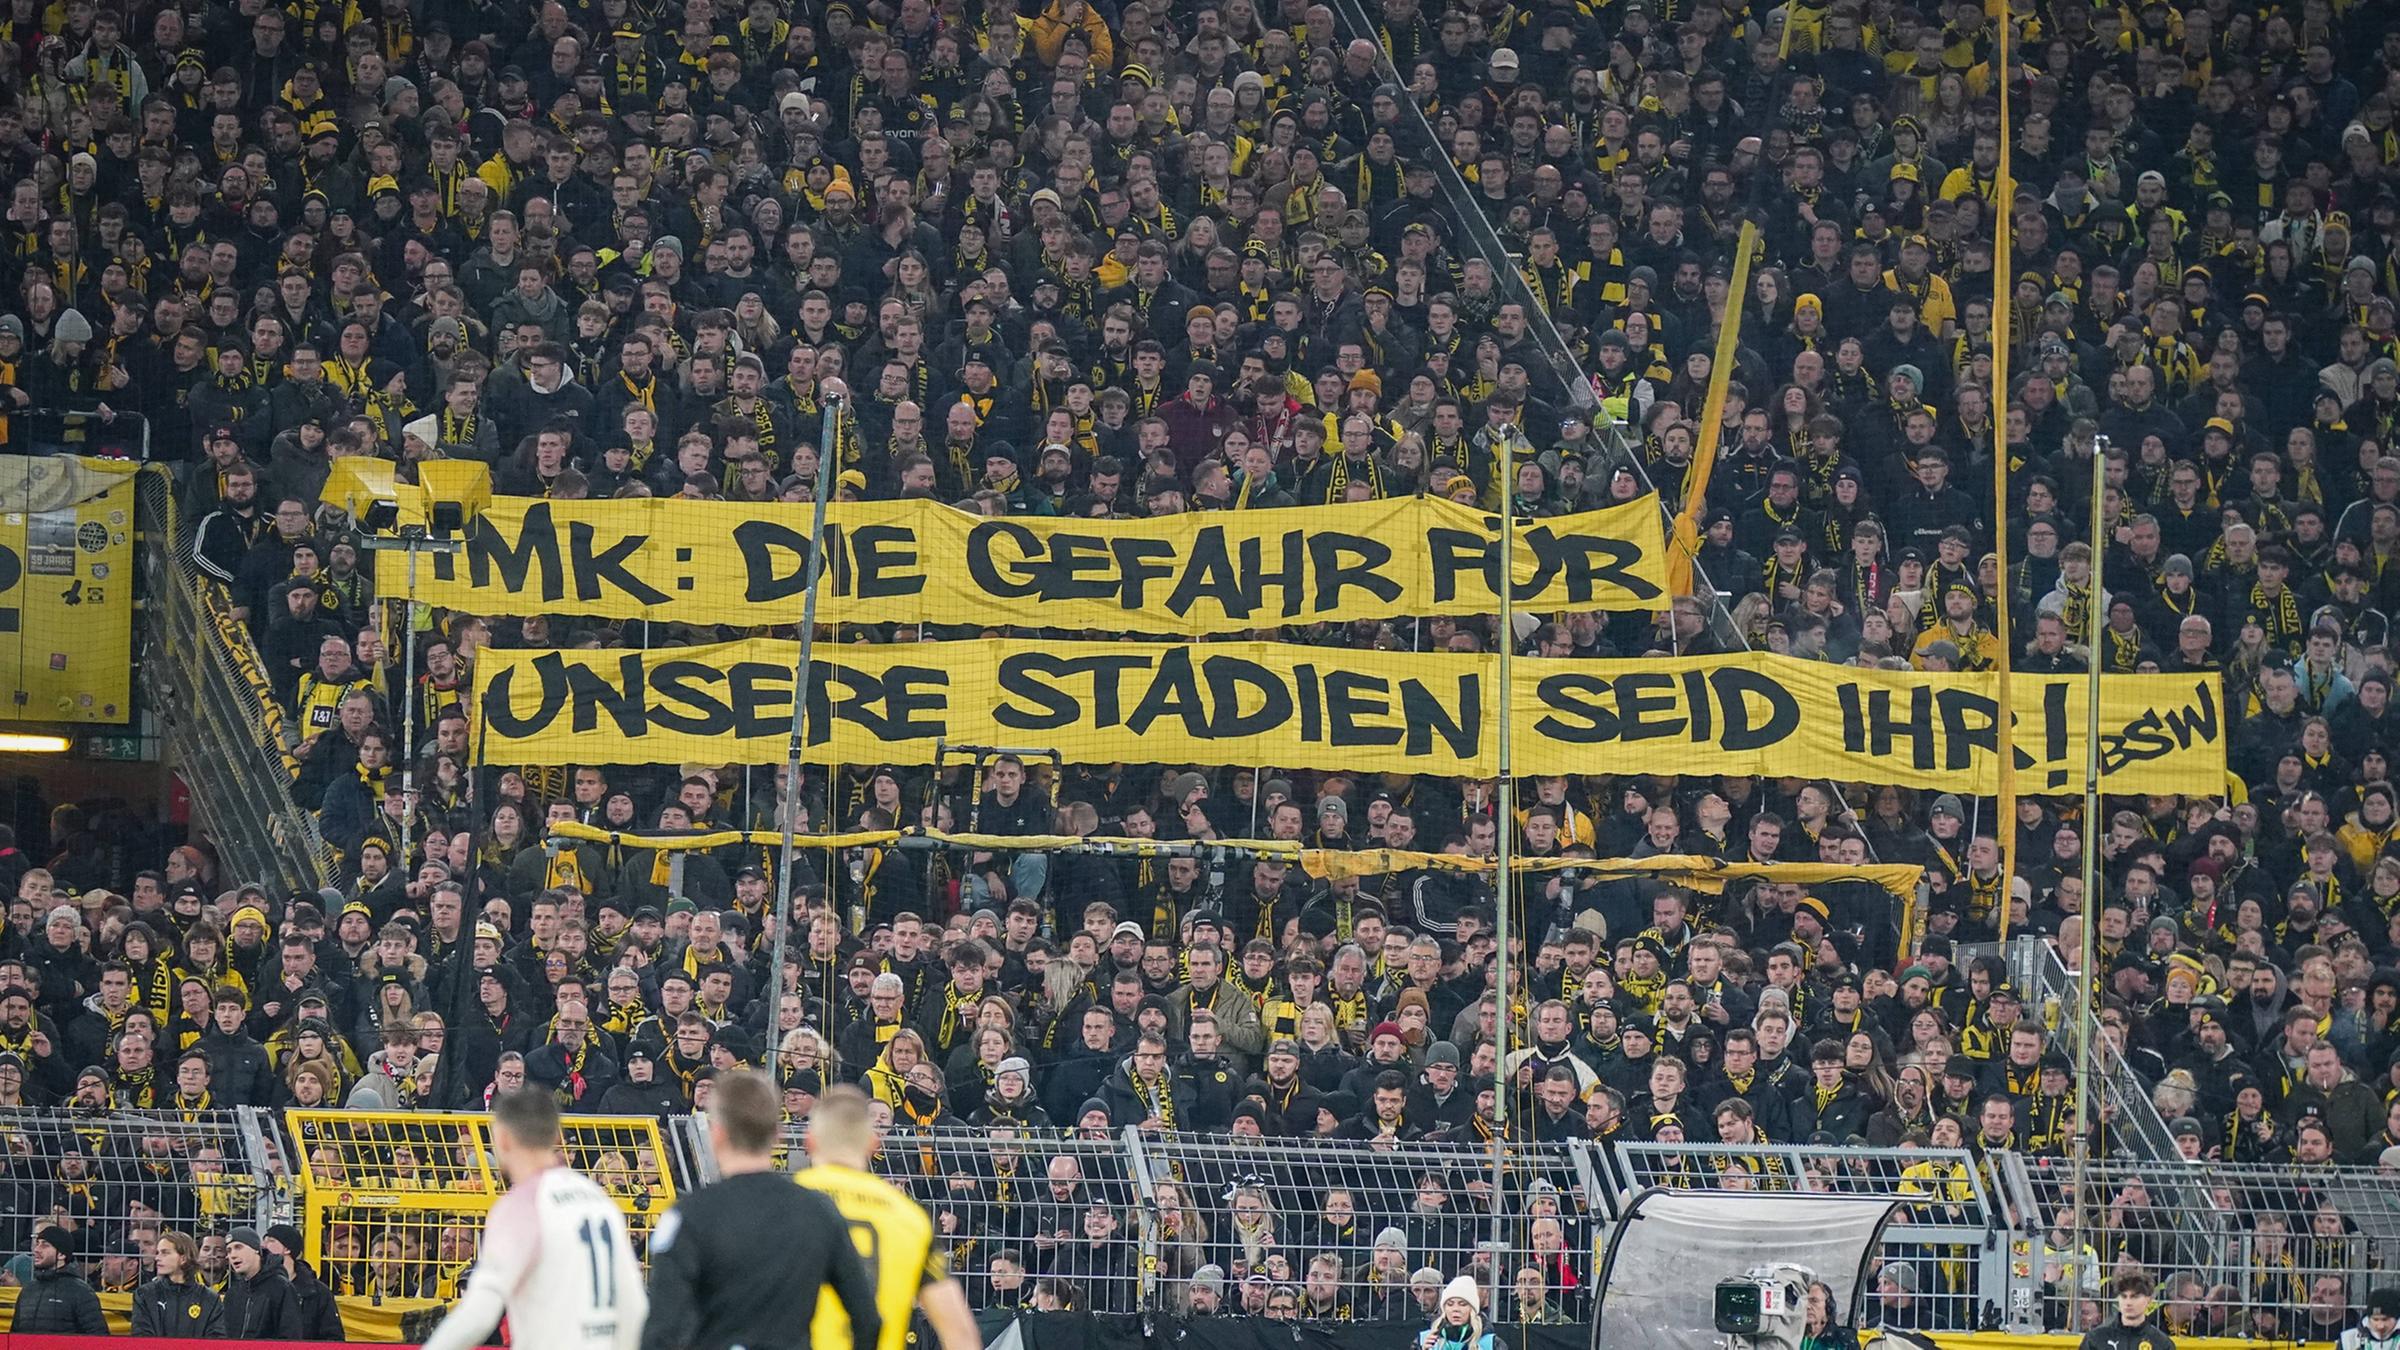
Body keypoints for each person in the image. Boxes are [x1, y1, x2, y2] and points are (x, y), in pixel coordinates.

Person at [640, 1071, 883, 1350]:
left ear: (717, 1135)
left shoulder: (687, 1216)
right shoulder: (817, 1211)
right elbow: (867, 1320)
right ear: (777, 1135)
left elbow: (661, 1330)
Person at [421, 1089, 648, 1350]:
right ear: (554, 1136)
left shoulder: (521, 1205)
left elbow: (480, 1310)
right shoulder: (598, 1200)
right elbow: (634, 1305)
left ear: (503, 1139)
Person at [794, 1084, 982, 1350]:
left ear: (809, 1142)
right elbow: (960, 1333)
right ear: (873, 1143)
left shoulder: (785, 1202)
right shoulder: (909, 1216)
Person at [11, 1224, 106, 1334]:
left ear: (61, 1254)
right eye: (37, 1244)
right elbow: (15, 1334)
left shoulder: (81, 1292)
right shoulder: (28, 1290)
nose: (36, 1249)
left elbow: (98, 1336)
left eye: (45, 1245)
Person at [132, 1230, 226, 1338]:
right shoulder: (145, 1294)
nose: (157, 1258)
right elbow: (141, 1337)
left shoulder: (210, 1299)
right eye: (158, 1253)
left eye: (165, 1252)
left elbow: (215, 1340)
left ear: (183, 1258)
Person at [221, 1227, 305, 1340]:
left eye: (238, 1247)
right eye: (229, 1250)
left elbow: (290, 1337)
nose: (233, 1255)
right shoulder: (233, 1293)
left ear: (255, 1249)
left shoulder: (281, 1288)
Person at [2077, 1271, 2175, 1350]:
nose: (2128, 1302)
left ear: (2148, 1300)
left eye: (2135, 1297)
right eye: (2124, 1296)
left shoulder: (2161, 1344)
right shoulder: (2095, 1339)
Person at [1416, 1275, 1497, 1350]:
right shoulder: (1424, 1339)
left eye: (1463, 1304)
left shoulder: (1491, 1343)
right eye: (1450, 1304)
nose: (1455, 1309)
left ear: (1472, 1309)